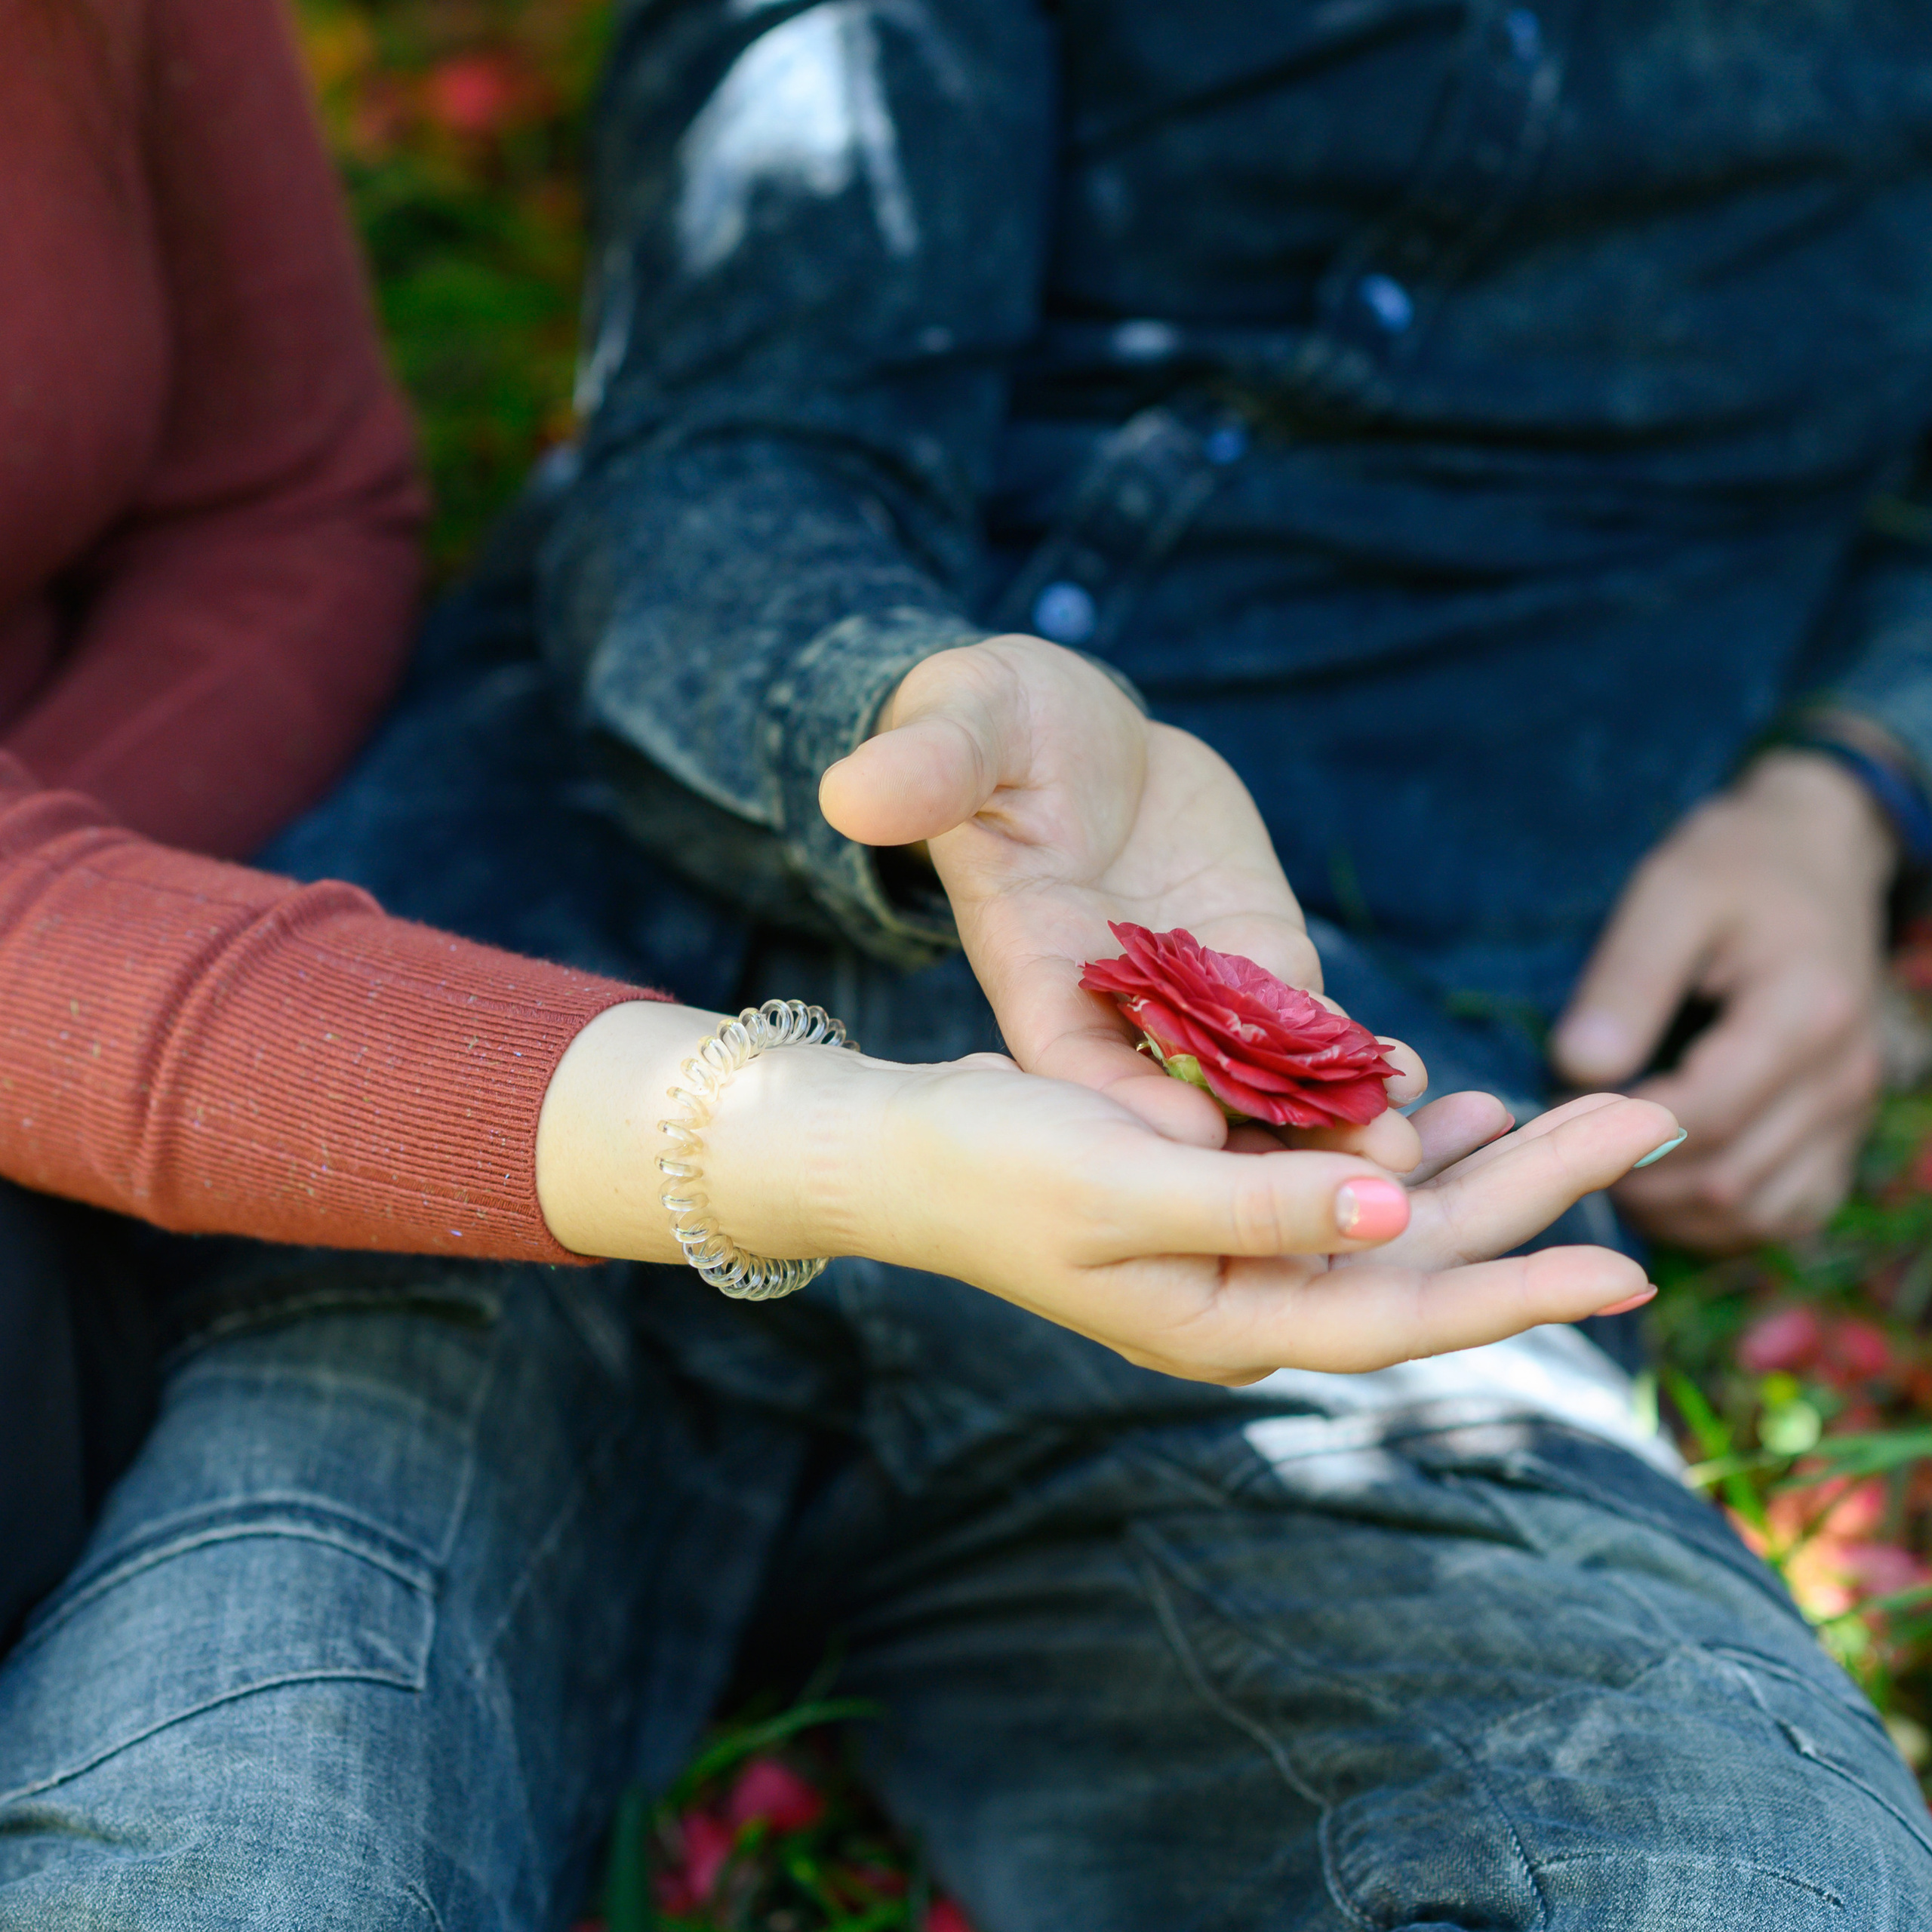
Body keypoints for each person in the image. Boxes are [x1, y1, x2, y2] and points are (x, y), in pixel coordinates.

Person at [0, 5, 1925, 1930]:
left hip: (1269, 1178)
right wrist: (893, 701)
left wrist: (1855, 778)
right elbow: (724, 442)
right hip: (529, 1043)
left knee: (1728, 1876)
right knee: (216, 1862)